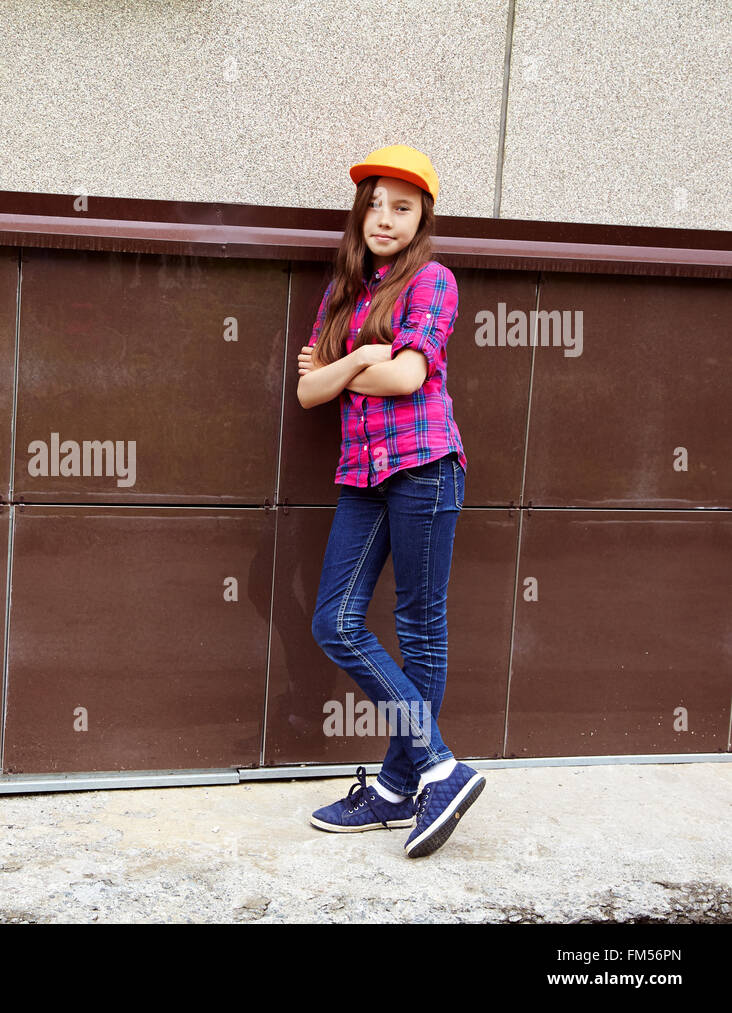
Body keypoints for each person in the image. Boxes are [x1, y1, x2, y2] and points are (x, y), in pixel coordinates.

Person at [295, 144, 485, 859]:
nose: (383, 217)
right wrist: (361, 360)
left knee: (418, 626)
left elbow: (407, 378)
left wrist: (353, 366)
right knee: (335, 621)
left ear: (421, 217)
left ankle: (398, 788)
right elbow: (310, 391)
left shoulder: (433, 281)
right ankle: (438, 767)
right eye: (373, 204)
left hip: (425, 467)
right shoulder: (343, 292)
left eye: (400, 207)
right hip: (361, 475)